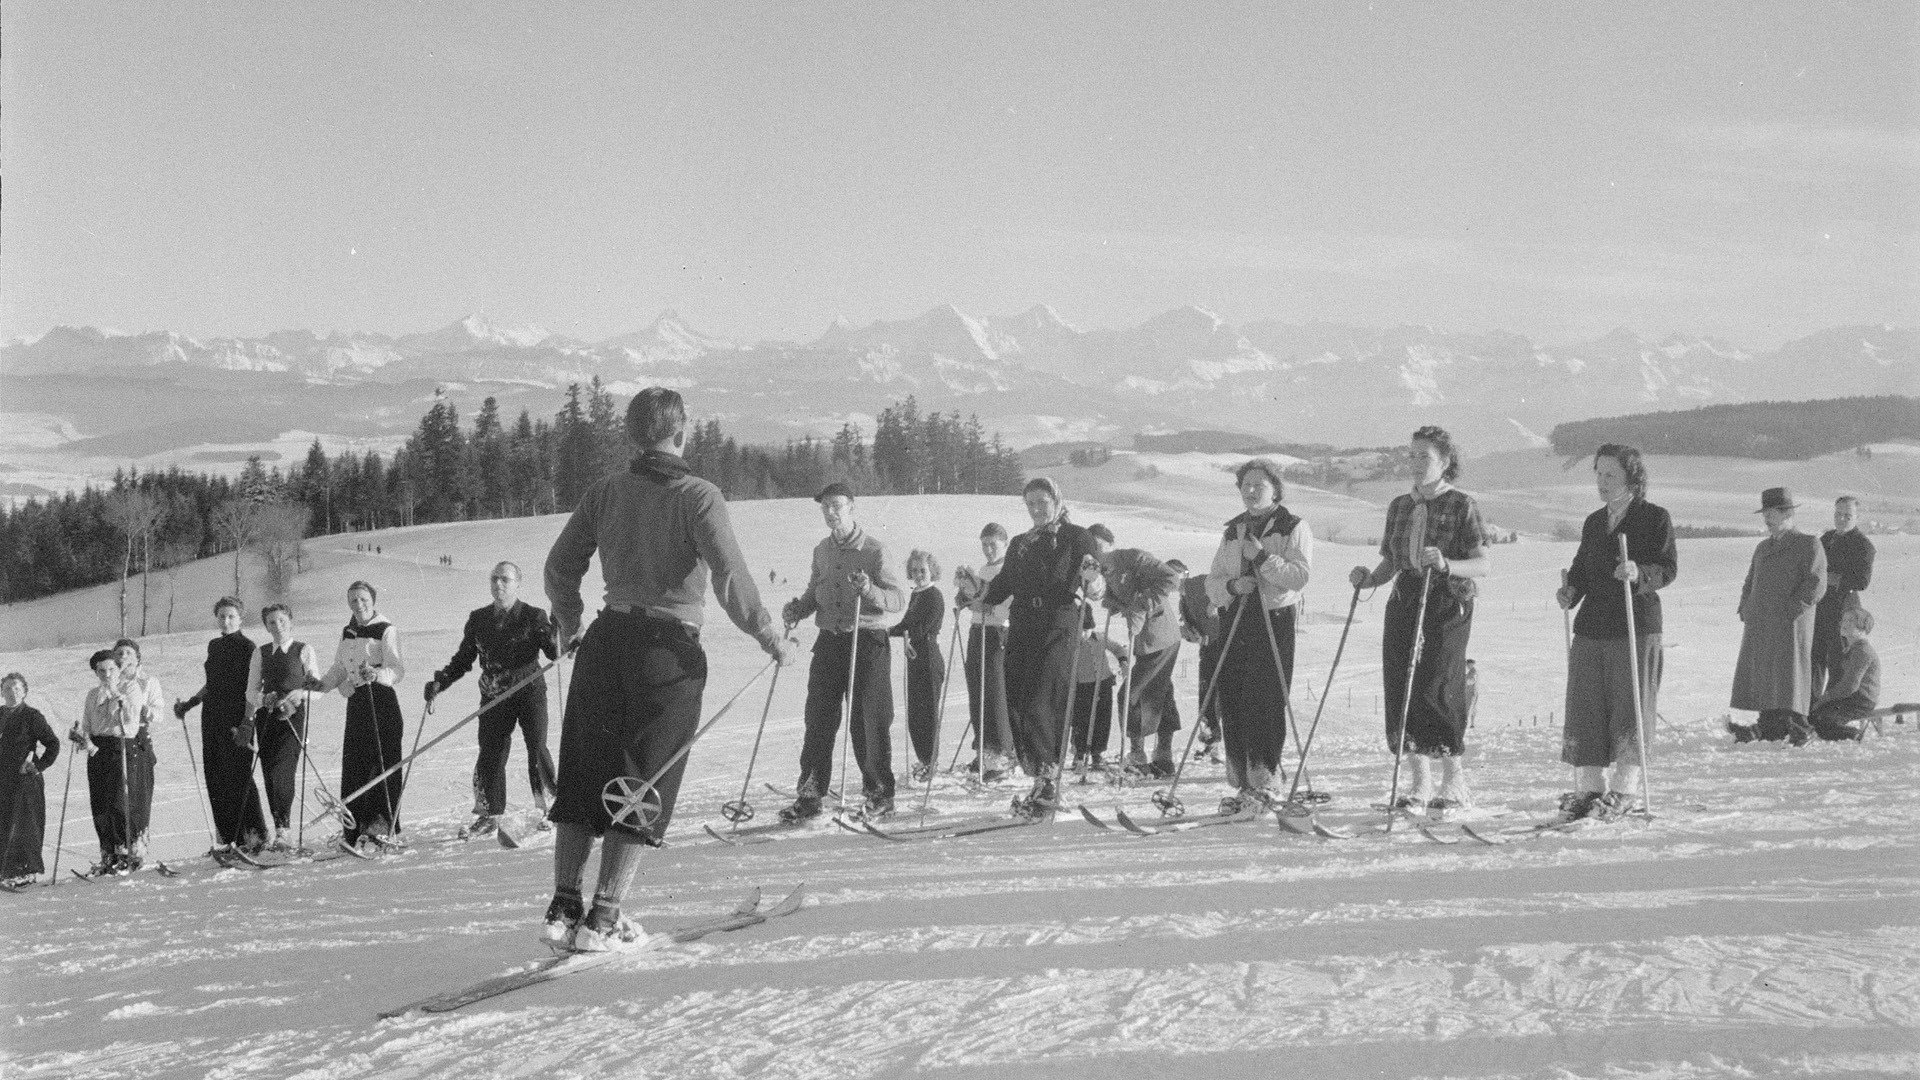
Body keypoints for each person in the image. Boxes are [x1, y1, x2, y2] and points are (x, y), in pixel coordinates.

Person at [544, 387, 793, 953]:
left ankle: (563, 907)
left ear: (632, 436)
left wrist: (569, 623)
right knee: (642, 777)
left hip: (605, 641)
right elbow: (729, 575)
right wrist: (768, 634)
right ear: (682, 432)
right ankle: (603, 918)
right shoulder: (698, 495)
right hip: (666, 651)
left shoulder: (606, 491)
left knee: (584, 768)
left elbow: (559, 566)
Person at [1349, 426, 1490, 810]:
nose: (1414, 463)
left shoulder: (1461, 504)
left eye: (1424, 456)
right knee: (1402, 688)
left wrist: (1446, 564)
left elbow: (1483, 564)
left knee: (1437, 686)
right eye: (1411, 456)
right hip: (1405, 598)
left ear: (1445, 462)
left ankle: (1454, 781)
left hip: (1447, 600)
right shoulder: (1400, 506)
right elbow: (1391, 563)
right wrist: (1368, 579)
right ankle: (1419, 784)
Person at [1554, 444, 1678, 819]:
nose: (1602, 482)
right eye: (1599, 474)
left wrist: (1640, 573)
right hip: (1592, 625)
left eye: (1611, 475)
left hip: (1634, 623)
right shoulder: (1595, 522)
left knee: (1630, 706)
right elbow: (1582, 568)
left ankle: (1624, 789)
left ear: (1631, 478)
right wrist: (1571, 590)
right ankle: (1590, 787)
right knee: (1586, 705)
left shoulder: (1654, 518)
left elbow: (1667, 568)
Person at [779, 483, 906, 821]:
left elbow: (897, 600)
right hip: (829, 642)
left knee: (868, 720)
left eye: (836, 505)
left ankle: (879, 793)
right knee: (818, 718)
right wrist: (799, 609)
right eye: (825, 507)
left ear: (852, 507)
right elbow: (814, 592)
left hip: (866, 642)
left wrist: (870, 589)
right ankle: (810, 794)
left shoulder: (875, 551)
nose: (830, 512)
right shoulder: (822, 550)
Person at [978, 477, 1105, 815]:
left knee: (1043, 699)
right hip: (1023, 624)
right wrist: (975, 592)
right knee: (1018, 699)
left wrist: (1093, 581)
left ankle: (1049, 775)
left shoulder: (1076, 536)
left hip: (1058, 622)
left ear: (1056, 501)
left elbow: (1094, 580)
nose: (1036, 509)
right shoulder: (1021, 543)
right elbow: (1002, 585)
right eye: (1030, 503)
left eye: (1042, 502)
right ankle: (1039, 777)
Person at [424, 561, 560, 836]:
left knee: (536, 747)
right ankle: (489, 813)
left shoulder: (533, 616)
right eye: (494, 579)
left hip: (529, 690)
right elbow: (463, 659)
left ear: (517, 584)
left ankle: (549, 810)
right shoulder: (478, 618)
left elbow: (553, 652)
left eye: (505, 579)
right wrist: (442, 681)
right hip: (494, 693)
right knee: (491, 751)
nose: (498, 584)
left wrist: (558, 630)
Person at [1207, 459, 1314, 811]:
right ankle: (1242, 782)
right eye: (1246, 485)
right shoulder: (1232, 530)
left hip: (1272, 618)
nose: (1251, 491)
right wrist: (1233, 586)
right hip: (1236, 617)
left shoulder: (1292, 526)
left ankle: (1266, 779)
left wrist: (1263, 558)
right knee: (1233, 698)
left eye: (1259, 485)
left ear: (1275, 489)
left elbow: (1299, 576)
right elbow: (1213, 581)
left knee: (1265, 699)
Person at [1727, 488, 1827, 743]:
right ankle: (1769, 727)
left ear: (1787, 514)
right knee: (1765, 673)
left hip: (1790, 624)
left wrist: (1790, 611)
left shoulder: (1808, 544)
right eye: (1765, 514)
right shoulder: (1763, 547)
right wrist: (1745, 607)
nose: (1766, 519)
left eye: (1771, 514)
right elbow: (1750, 580)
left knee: (1790, 675)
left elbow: (1816, 584)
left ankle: (1799, 727)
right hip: (1761, 623)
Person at [313, 581, 408, 847]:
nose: (359, 604)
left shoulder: (386, 629)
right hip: (357, 703)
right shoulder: (348, 632)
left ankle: (380, 824)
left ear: (373, 600)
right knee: (355, 764)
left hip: (381, 700)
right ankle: (354, 829)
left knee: (381, 762)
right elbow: (339, 668)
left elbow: (397, 669)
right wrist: (321, 684)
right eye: (353, 600)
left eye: (363, 599)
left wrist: (376, 674)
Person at [1090, 523, 1184, 778]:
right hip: (1144, 640)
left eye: (1099, 544)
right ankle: (1163, 758)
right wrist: (1115, 603)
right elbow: (1120, 597)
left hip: (1160, 636)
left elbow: (1170, 579)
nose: (1096, 550)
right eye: (1091, 545)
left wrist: (1141, 604)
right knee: (1161, 693)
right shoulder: (1102, 571)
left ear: (1110, 543)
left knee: (1131, 694)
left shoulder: (1132, 558)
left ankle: (1137, 756)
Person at [175, 598, 267, 850]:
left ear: (240, 619)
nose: (225, 621)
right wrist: (191, 702)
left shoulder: (248, 647)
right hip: (212, 715)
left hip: (235, 716)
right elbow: (213, 683)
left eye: (231, 616)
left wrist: (247, 721)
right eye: (221, 616)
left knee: (238, 775)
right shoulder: (214, 646)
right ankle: (228, 838)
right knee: (215, 776)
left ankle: (255, 835)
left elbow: (253, 687)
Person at [245, 603, 326, 845]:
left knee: (282, 770)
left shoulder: (303, 650)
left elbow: (317, 689)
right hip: (268, 717)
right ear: (266, 627)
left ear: (290, 622)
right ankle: (280, 828)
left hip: (292, 716)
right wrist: (263, 699)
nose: (277, 626)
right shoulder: (260, 653)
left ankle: (284, 830)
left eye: (281, 620)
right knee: (270, 773)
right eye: (272, 622)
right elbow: (251, 691)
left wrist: (300, 693)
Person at [953, 523, 1015, 782]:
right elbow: (975, 599)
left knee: (994, 692)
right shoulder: (982, 570)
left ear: (1004, 544)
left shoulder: (1008, 570)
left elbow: (1008, 608)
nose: (988, 550)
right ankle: (985, 750)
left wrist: (984, 607)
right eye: (984, 544)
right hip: (978, 630)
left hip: (997, 632)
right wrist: (964, 598)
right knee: (977, 690)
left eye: (993, 545)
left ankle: (1002, 754)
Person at [72, 650, 140, 875]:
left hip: (120, 744)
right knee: (100, 802)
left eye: (111, 669)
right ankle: (107, 852)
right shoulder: (93, 695)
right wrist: (81, 737)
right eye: (101, 671)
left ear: (119, 669)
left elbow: (132, 719)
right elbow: (87, 725)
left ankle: (126, 851)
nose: (107, 674)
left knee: (119, 801)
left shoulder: (130, 688)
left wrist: (120, 699)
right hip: (98, 748)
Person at [889, 550, 947, 784]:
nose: (918, 575)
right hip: (915, 656)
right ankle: (923, 760)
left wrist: (904, 632)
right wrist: (886, 631)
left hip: (929, 656)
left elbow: (921, 627)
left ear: (931, 570)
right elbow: (907, 623)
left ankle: (930, 762)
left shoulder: (934, 595)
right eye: (914, 571)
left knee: (928, 713)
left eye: (922, 570)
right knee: (915, 713)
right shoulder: (917, 595)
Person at [0, 673, 59, 887]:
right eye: (7, 688)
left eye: (17, 688)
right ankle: (5, 871)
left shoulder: (32, 716)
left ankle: (27, 870)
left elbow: (52, 744)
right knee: (3, 824)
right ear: (1, 692)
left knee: (25, 825)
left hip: (25, 780)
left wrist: (37, 766)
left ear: (24, 692)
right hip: (3, 780)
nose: (12, 692)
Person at [1813, 496, 1875, 697]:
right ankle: (1811, 709)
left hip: (1844, 611)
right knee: (1814, 661)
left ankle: (1831, 711)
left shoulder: (1863, 545)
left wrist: (1833, 578)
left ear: (1857, 517)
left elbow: (1862, 581)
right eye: (1838, 514)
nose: (1841, 519)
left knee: (1838, 663)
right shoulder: (1826, 539)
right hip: (1820, 608)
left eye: (1847, 516)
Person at [110, 637, 163, 862]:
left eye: (128, 653)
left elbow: (159, 713)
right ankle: (118, 848)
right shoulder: (109, 681)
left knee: (138, 794)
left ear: (137, 658)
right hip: (113, 740)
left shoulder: (147, 682)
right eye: (119, 653)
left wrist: (144, 710)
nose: (123, 657)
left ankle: (138, 846)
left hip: (138, 738)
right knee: (115, 796)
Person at [1172, 558, 1224, 762]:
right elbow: (1196, 628)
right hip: (1209, 650)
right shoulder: (1183, 601)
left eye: (1175, 575)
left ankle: (1235, 745)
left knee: (1225, 695)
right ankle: (1212, 743)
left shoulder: (1202, 583)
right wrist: (1190, 634)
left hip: (1225, 646)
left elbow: (1221, 598)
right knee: (1207, 695)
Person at [1806, 601, 1880, 742]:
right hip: (1851, 698)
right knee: (1813, 718)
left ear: (1862, 626)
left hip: (1861, 701)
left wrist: (1825, 698)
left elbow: (1850, 686)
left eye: (1851, 621)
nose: (1845, 624)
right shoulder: (1852, 649)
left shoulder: (1862, 651)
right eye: (1844, 620)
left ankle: (1854, 735)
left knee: (1822, 721)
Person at [1067, 621, 1117, 770]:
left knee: (1102, 720)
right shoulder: (1072, 643)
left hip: (1103, 684)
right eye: (1080, 630)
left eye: (1086, 630)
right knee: (1081, 720)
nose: (1083, 634)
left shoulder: (1100, 638)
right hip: (1082, 686)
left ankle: (1097, 754)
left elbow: (1118, 648)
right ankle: (1079, 754)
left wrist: (1123, 661)